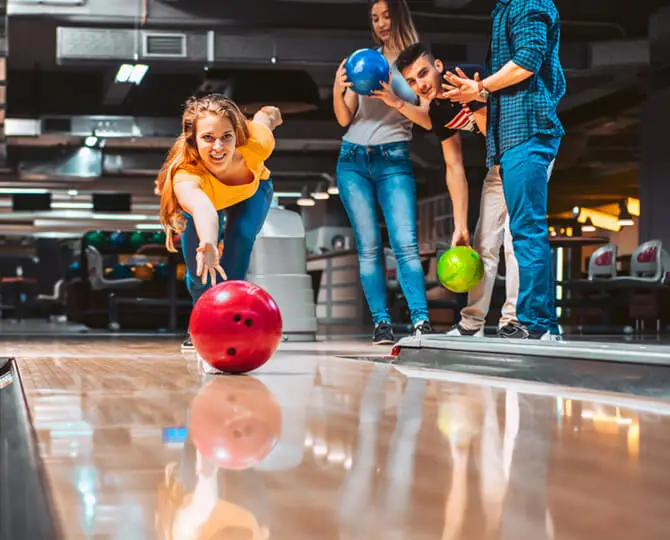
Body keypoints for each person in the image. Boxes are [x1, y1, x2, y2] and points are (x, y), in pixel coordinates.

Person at [442, 0, 566, 340]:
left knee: (526, 232)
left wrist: (480, 88)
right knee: (514, 234)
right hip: (510, 142)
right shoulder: (504, 10)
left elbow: (528, 60)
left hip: (528, 131)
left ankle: (538, 324)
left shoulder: (528, 3)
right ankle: (522, 322)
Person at [394, 42, 523, 338]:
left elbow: (491, 128)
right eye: (411, 81)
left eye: (423, 73)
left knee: (515, 240)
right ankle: (472, 323)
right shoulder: (438, 111)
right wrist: (459, 226)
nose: (420, 85)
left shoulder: (467, 76)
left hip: (523, 154)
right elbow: (454, 168)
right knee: (482, 241)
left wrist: (472, 98)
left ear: (438, 65)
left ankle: (513, 321)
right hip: (499, 163)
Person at [333, 0, 432, 345]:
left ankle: (421, 320)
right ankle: (382, 323)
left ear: (400, 16)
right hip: (352, 161)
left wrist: (395, 100)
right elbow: (345, 119)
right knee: (370, 248)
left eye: (386, 16)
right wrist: (337, 85)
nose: (380, 23)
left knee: (405, 245)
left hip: (394, 159)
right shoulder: (365, 59)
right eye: (375, 18)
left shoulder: (416, 64)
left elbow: (428, 117)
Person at [155, 94, 282, 353]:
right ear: (193, 140)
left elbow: (265, 118)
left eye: (226, 136)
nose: (218, 147)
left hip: (252, 191)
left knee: (241, 236)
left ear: (237, 134)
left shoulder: (257, 142)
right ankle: (201, 323)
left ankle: (230, 320)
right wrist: (210, 242)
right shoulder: (187, 174)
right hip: (208, 200)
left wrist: (271, 112)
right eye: (208, 138)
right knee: (199, 268)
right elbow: (203, 209)